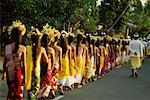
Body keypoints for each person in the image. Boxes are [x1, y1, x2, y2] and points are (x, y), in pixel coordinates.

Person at [2, 27, 26, 100]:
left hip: (9, 72)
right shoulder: (22, 48)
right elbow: (24, 64)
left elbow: (5, 62)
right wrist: (25, 77)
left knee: (11, 91)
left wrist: (4, 74)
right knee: (18, 92)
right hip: (18, 73)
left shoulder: (7, 47)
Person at [28, 34, 48, 100]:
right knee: (36, 87)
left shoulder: (27, 48)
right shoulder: (42, 49)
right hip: (37, 69)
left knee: (30, 86)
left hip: (29, 69)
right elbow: (46, 61)